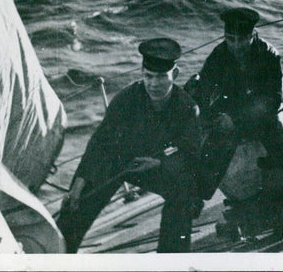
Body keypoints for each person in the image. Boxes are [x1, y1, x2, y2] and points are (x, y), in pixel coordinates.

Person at [57, 38, 203, 253]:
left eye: (161, 77)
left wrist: (158, 162)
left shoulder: (187, 108)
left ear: (176, 74)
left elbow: (189, 154)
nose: (153, 84)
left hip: (160, 168)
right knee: (75, 203)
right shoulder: (127, 99)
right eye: (148, 76)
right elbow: (99, 144)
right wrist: (77, 186)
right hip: (125, 164)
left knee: (184, 194)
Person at [186, 7, 283, 234]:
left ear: (253, 35)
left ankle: (278, 210)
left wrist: (236, 120)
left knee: (279, 144)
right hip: (230, 112)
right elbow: (206, 92)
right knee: (213, 145)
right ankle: (195, 198)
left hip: (260, 113)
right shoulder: (218, 55)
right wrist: (209, 116)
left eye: (242, 40)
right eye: (230, 39)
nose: (236, 45)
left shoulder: (268, 54)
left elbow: (272, 100)